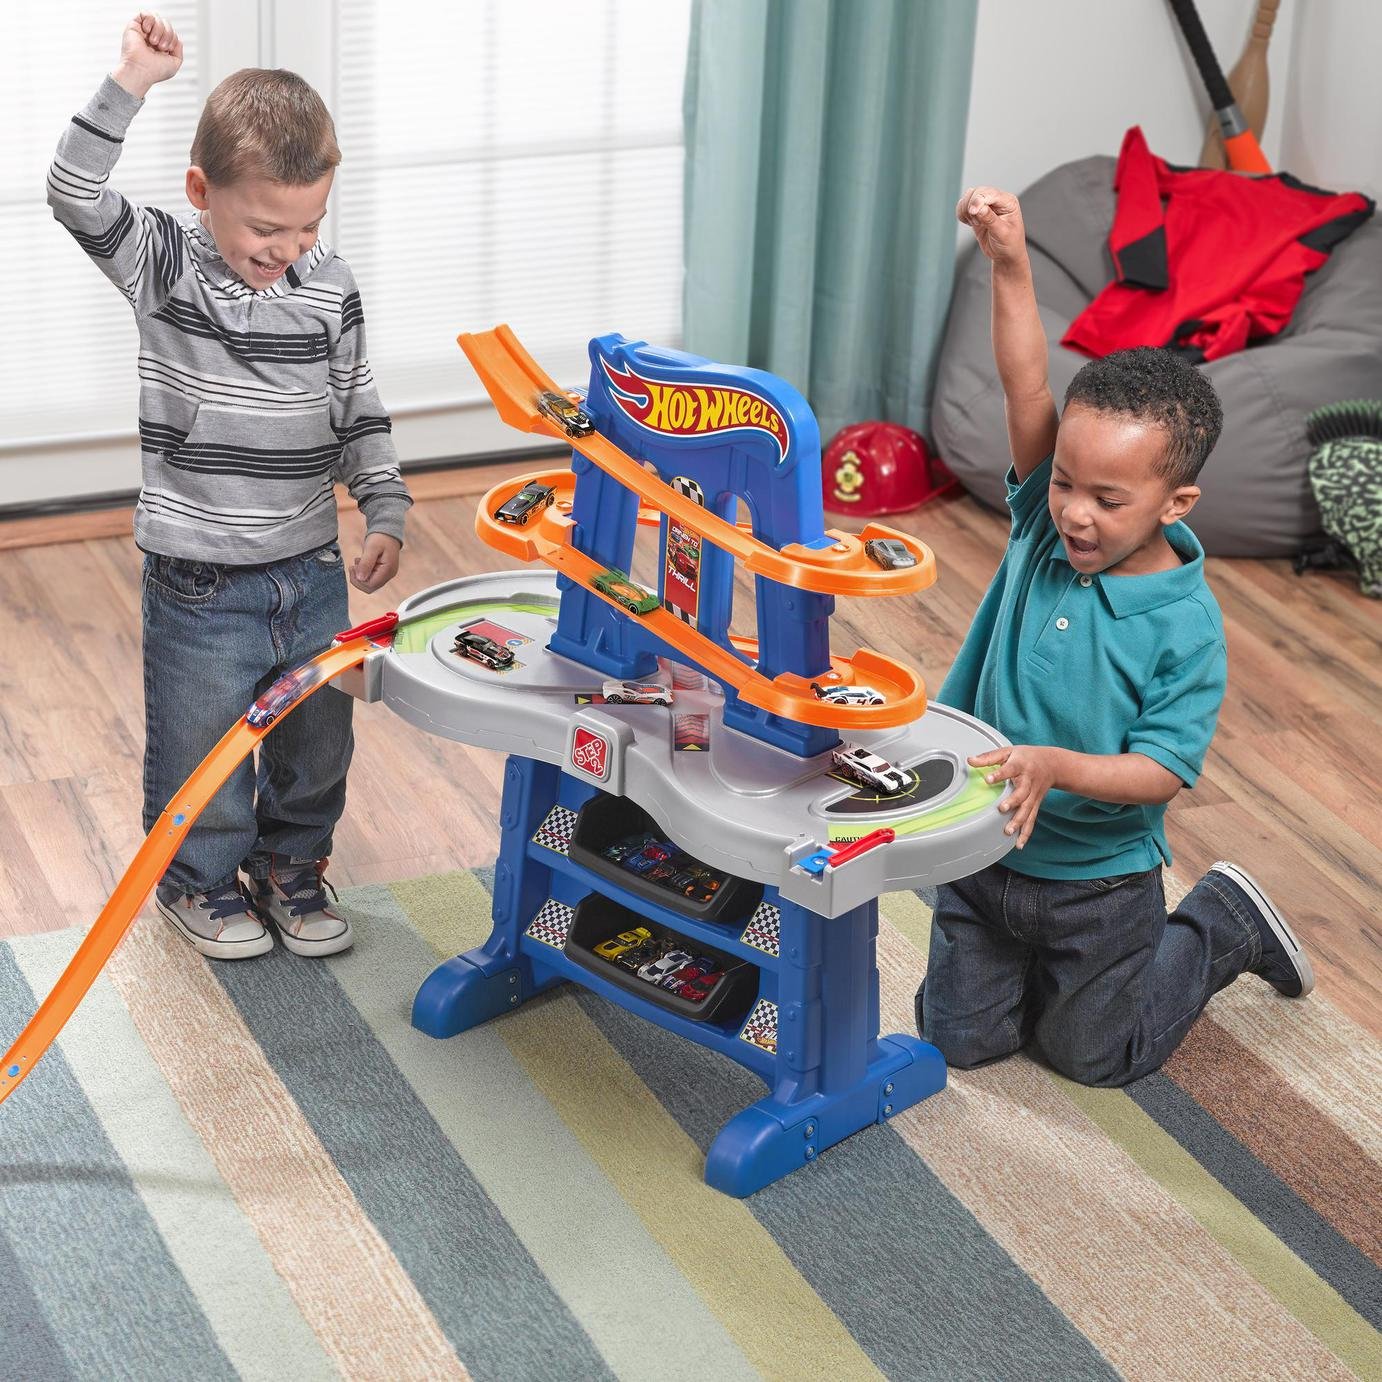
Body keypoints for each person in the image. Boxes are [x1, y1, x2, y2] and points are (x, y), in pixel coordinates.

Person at [916, 186, 1313, 1086]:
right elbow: (1025, 381)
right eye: (1064, 482)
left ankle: (1222, 924)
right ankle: (1010, 977)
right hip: (984, 852)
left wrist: (1055, 765)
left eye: (1107, 499)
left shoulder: (1185, 625)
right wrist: (1009, 260)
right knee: (959, 1042)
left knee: (1096, 1057)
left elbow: (1162, 770)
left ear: (1175, 505)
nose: (1074, 514)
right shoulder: (1036, 523)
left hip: (1098, 883)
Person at [48, 13, 412, 960]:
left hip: (310, 567)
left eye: (308, 224)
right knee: (203, 750)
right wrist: (132, 80)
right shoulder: (166, 265)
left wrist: (384, 503)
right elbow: (73, 192)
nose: (287, 245)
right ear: (202, 192)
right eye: (264, 225)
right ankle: (200, 880)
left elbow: (356, 407)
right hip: (201, 580)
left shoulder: (328, 284)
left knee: (315, 745)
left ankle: (291, 868)